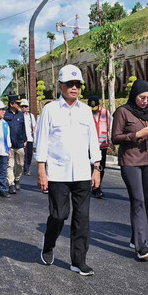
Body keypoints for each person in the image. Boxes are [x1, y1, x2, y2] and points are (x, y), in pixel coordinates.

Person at [36, 64, 102, 276]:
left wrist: (96, 167)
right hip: (57, 172)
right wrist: (41, 170)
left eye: (78, 85)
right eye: (70, 84)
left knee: (82, 218)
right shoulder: (50, 110)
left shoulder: (85, 111)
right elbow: (42, 141)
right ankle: (49, 242)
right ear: (60, 86)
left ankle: (78, 261)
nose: (74, 88)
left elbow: (93, 140)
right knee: (59, 215)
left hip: (83, 172)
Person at [111, 80, 148, 260]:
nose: (145, 101)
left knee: (147, 201)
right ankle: (142, 247)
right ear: (134, 95)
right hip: (131, 161)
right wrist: (136, 135)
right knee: (138, 200)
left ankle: (136, 237)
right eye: (142, 97)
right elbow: (115, 138)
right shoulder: (123, 112)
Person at [88, 96, 112, 199]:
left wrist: (112, 142)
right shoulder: (86, 114)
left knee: (101, 167)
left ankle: (97, 187)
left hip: (102, 144)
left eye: (95, 108)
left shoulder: (106, 113)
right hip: (89, 145)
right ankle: (92, 187)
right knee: (89, 167)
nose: (94, 111)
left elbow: (111, 127)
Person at [4, 94, 27, 194]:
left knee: (21, 164)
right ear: (11, 104)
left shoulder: (20, 114)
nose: (19, 105)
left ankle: (17, 178)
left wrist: (25, 139)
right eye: (17, 103)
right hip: (9, 145)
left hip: (19, 143)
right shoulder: (5, 114)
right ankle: (11, 184)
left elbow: (23, 127)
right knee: (10, 165)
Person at [21, 99, 37, 176]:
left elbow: (34, 126)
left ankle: (28, 166)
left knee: (29, 154)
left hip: (30, 138)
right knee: (23, 154)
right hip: (21, 139)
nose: (24, 108)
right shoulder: (18, 116)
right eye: (22, 106)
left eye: (25, 106)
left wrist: (33, 132)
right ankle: (25, 169)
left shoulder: (31, 116)